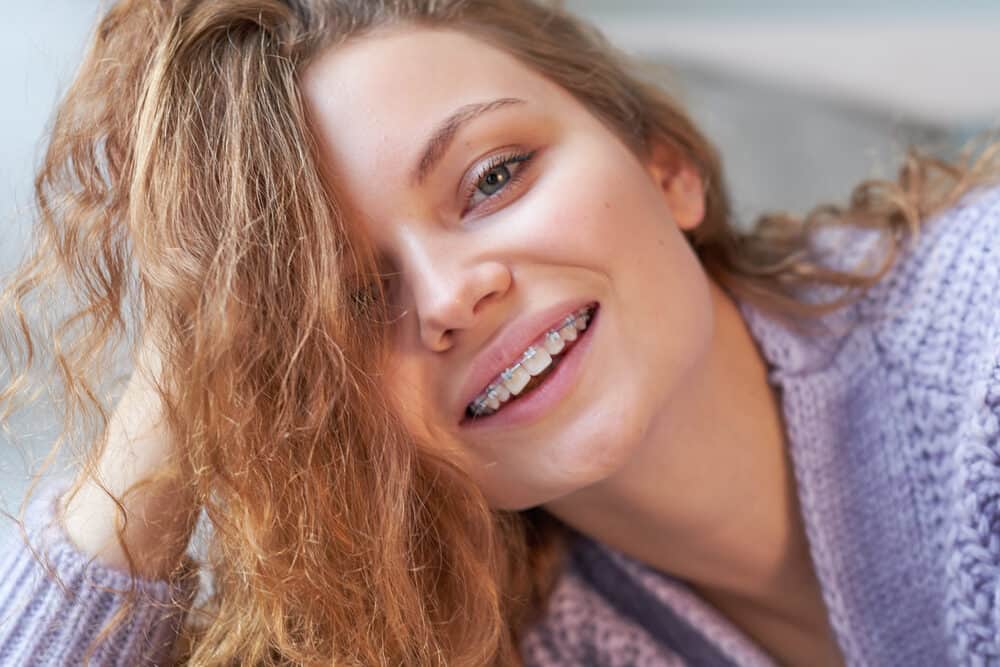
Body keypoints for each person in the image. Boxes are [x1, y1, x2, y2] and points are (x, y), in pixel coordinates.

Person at [0, 0, 998, 664]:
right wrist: (181, 390)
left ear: (665, 165)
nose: (445, 298)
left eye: (492, 177)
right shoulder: (506, 634)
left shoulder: (977, 337)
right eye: (353, 298)